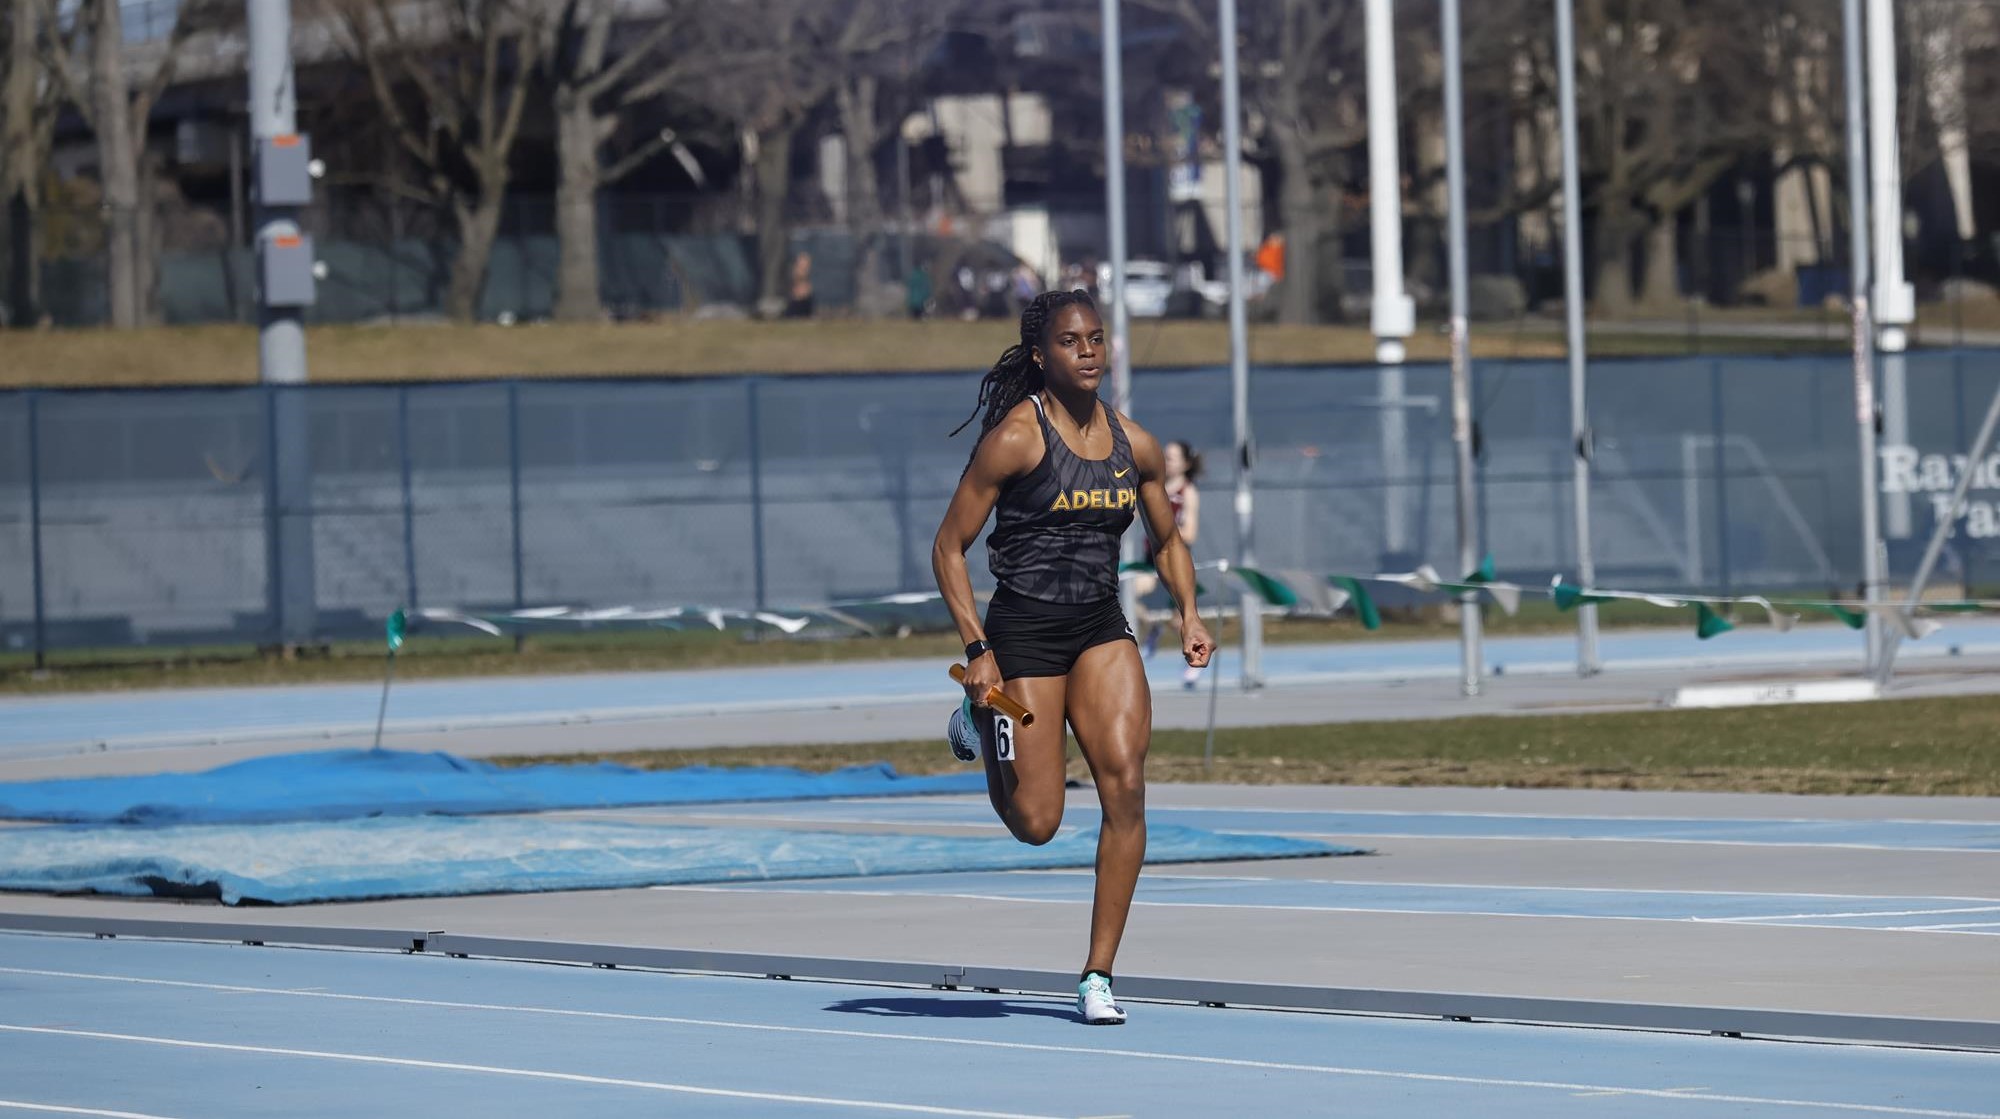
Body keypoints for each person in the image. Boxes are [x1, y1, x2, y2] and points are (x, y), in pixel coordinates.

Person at [933, 289, 1214, 1026]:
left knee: (1126, 784)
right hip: (1022, 635)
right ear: (1041, 355)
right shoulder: (1015, 441)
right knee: (1037, 819)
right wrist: (977, 650)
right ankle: (976, 706)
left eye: (1096, 338)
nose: (1088, 350)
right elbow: (947, 549)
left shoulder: (1136, 444)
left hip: (1098, 626)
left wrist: (1188, 610)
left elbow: (1166, 539)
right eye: (1070, 340)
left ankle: (1097, 973)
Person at [1131, 441, 1204, 689]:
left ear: (1185, 463)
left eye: (1172, 457)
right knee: (1128, 596)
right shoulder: (1154, 486)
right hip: (1149, 558)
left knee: (1179, 621)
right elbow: (1133, 512)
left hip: (1175, 558)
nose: (1167, 460)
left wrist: (1163, 529)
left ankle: (1193, 661)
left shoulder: (1188, 492)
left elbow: (1190, 533)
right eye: (1165, 456)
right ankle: (1152, 627)